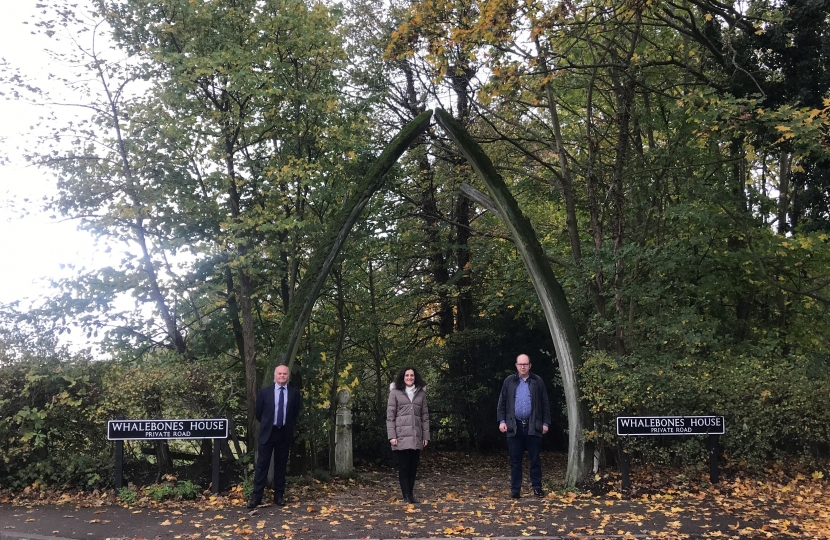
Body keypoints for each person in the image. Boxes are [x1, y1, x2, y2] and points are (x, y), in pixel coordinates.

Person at [496, 353, 550, 498]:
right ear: (516, 366)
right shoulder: (509, 381)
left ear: (530, 365)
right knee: (515, 460)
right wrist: (502, 421)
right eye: (520, 364)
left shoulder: (537, 381)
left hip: (533, 425)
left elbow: (545, 403)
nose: (523, 367)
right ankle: (515, 490)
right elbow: (502, 403)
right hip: (514, 426)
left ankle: (537, 487)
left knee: (535, 459)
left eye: (525, 364)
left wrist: (545, 423)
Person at [248, 365, 301, 508]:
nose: (282, 376)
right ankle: (256, 497)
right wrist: (268, 424)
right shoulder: (265, 392)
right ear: (275, 375)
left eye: (285, 374)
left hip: (284, 433)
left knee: (281, 466)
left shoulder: (294, 393)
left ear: (288, 376)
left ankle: (279, 496)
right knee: (261, 465)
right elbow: (259, 413)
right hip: (267, 433)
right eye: (280, 373)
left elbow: (294, 413)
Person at [386, 366, 430, 503]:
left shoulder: (421, 394)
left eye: (412, 375)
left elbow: (425, 416)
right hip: (401, 436)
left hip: (416, 436)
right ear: (402, 377)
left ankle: (410, 495)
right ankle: (406, 496)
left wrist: (426, 436)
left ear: (415, 377)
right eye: (407, 375)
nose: (409, 378)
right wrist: (392, 436)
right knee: (404, 466)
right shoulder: (395, 393)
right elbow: (390, 416)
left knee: (413, 466)